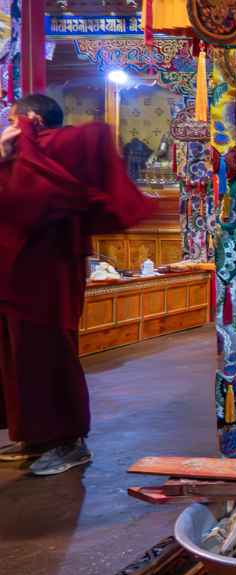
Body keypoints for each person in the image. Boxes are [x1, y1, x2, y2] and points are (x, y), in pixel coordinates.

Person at [0, 94, 156, 474]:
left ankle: (70, 442)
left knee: (50, 354)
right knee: (20, 359)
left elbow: (94, 139)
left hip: (47, 277)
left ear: (32, 119)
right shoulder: (24, 157)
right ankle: (36, 437)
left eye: (14, 118)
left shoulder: (57, 149)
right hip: (16, 276)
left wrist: (21, 144)